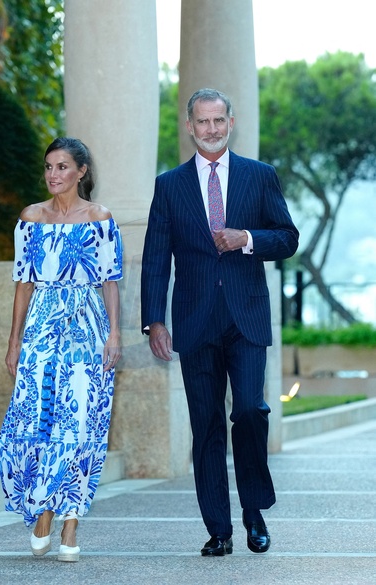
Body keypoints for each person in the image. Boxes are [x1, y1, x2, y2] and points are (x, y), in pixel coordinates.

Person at [141, 88, 299, 556]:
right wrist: (154, 320)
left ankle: (253, 509)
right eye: (202, 122)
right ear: (189, 126)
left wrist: (246, 237)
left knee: (250, 410)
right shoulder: (169, 185)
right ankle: (219, 529)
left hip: (246, 316)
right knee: (206, 424)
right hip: (194, 320)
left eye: (218, 120)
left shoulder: (259, 175)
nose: (210, 129)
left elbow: (287, 238)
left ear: (231, 122)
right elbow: (156, 258)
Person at [0, 137, 122, 562]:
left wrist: (114, 334)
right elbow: (23, 284)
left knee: (80, 421)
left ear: (81, 171)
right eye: (49, 166)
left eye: (63, 166)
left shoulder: (100, 217)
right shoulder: (31, 218)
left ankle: (68, 521)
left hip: (87, 329)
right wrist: (14, 342)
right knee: (35, 420)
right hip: (40, 330)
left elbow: (110, 281)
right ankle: (43, 507)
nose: (53, 174)